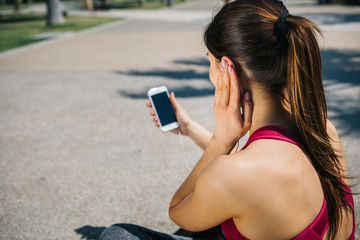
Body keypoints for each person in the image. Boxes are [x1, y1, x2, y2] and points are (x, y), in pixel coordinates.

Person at [99, 0, 355, 239]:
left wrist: (221, 141)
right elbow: (251, 174)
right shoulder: (322, 130)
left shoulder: (234, 175)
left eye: (209, 62)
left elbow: (178, 210)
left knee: (117, 234)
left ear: (226, 68)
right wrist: (189, 128)